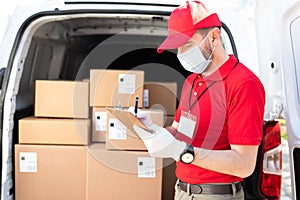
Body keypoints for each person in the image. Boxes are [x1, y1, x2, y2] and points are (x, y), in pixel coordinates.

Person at [131, 1, 265, 199]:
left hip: (216, 195)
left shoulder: (244, 84)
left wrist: (185, 152)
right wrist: (154, 131)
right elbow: (178, 130)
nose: (181, 54)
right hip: (183, 191)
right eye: (177, 48)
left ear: (213, 37)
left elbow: (244, 164)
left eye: (186, 45)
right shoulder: (193, 81)